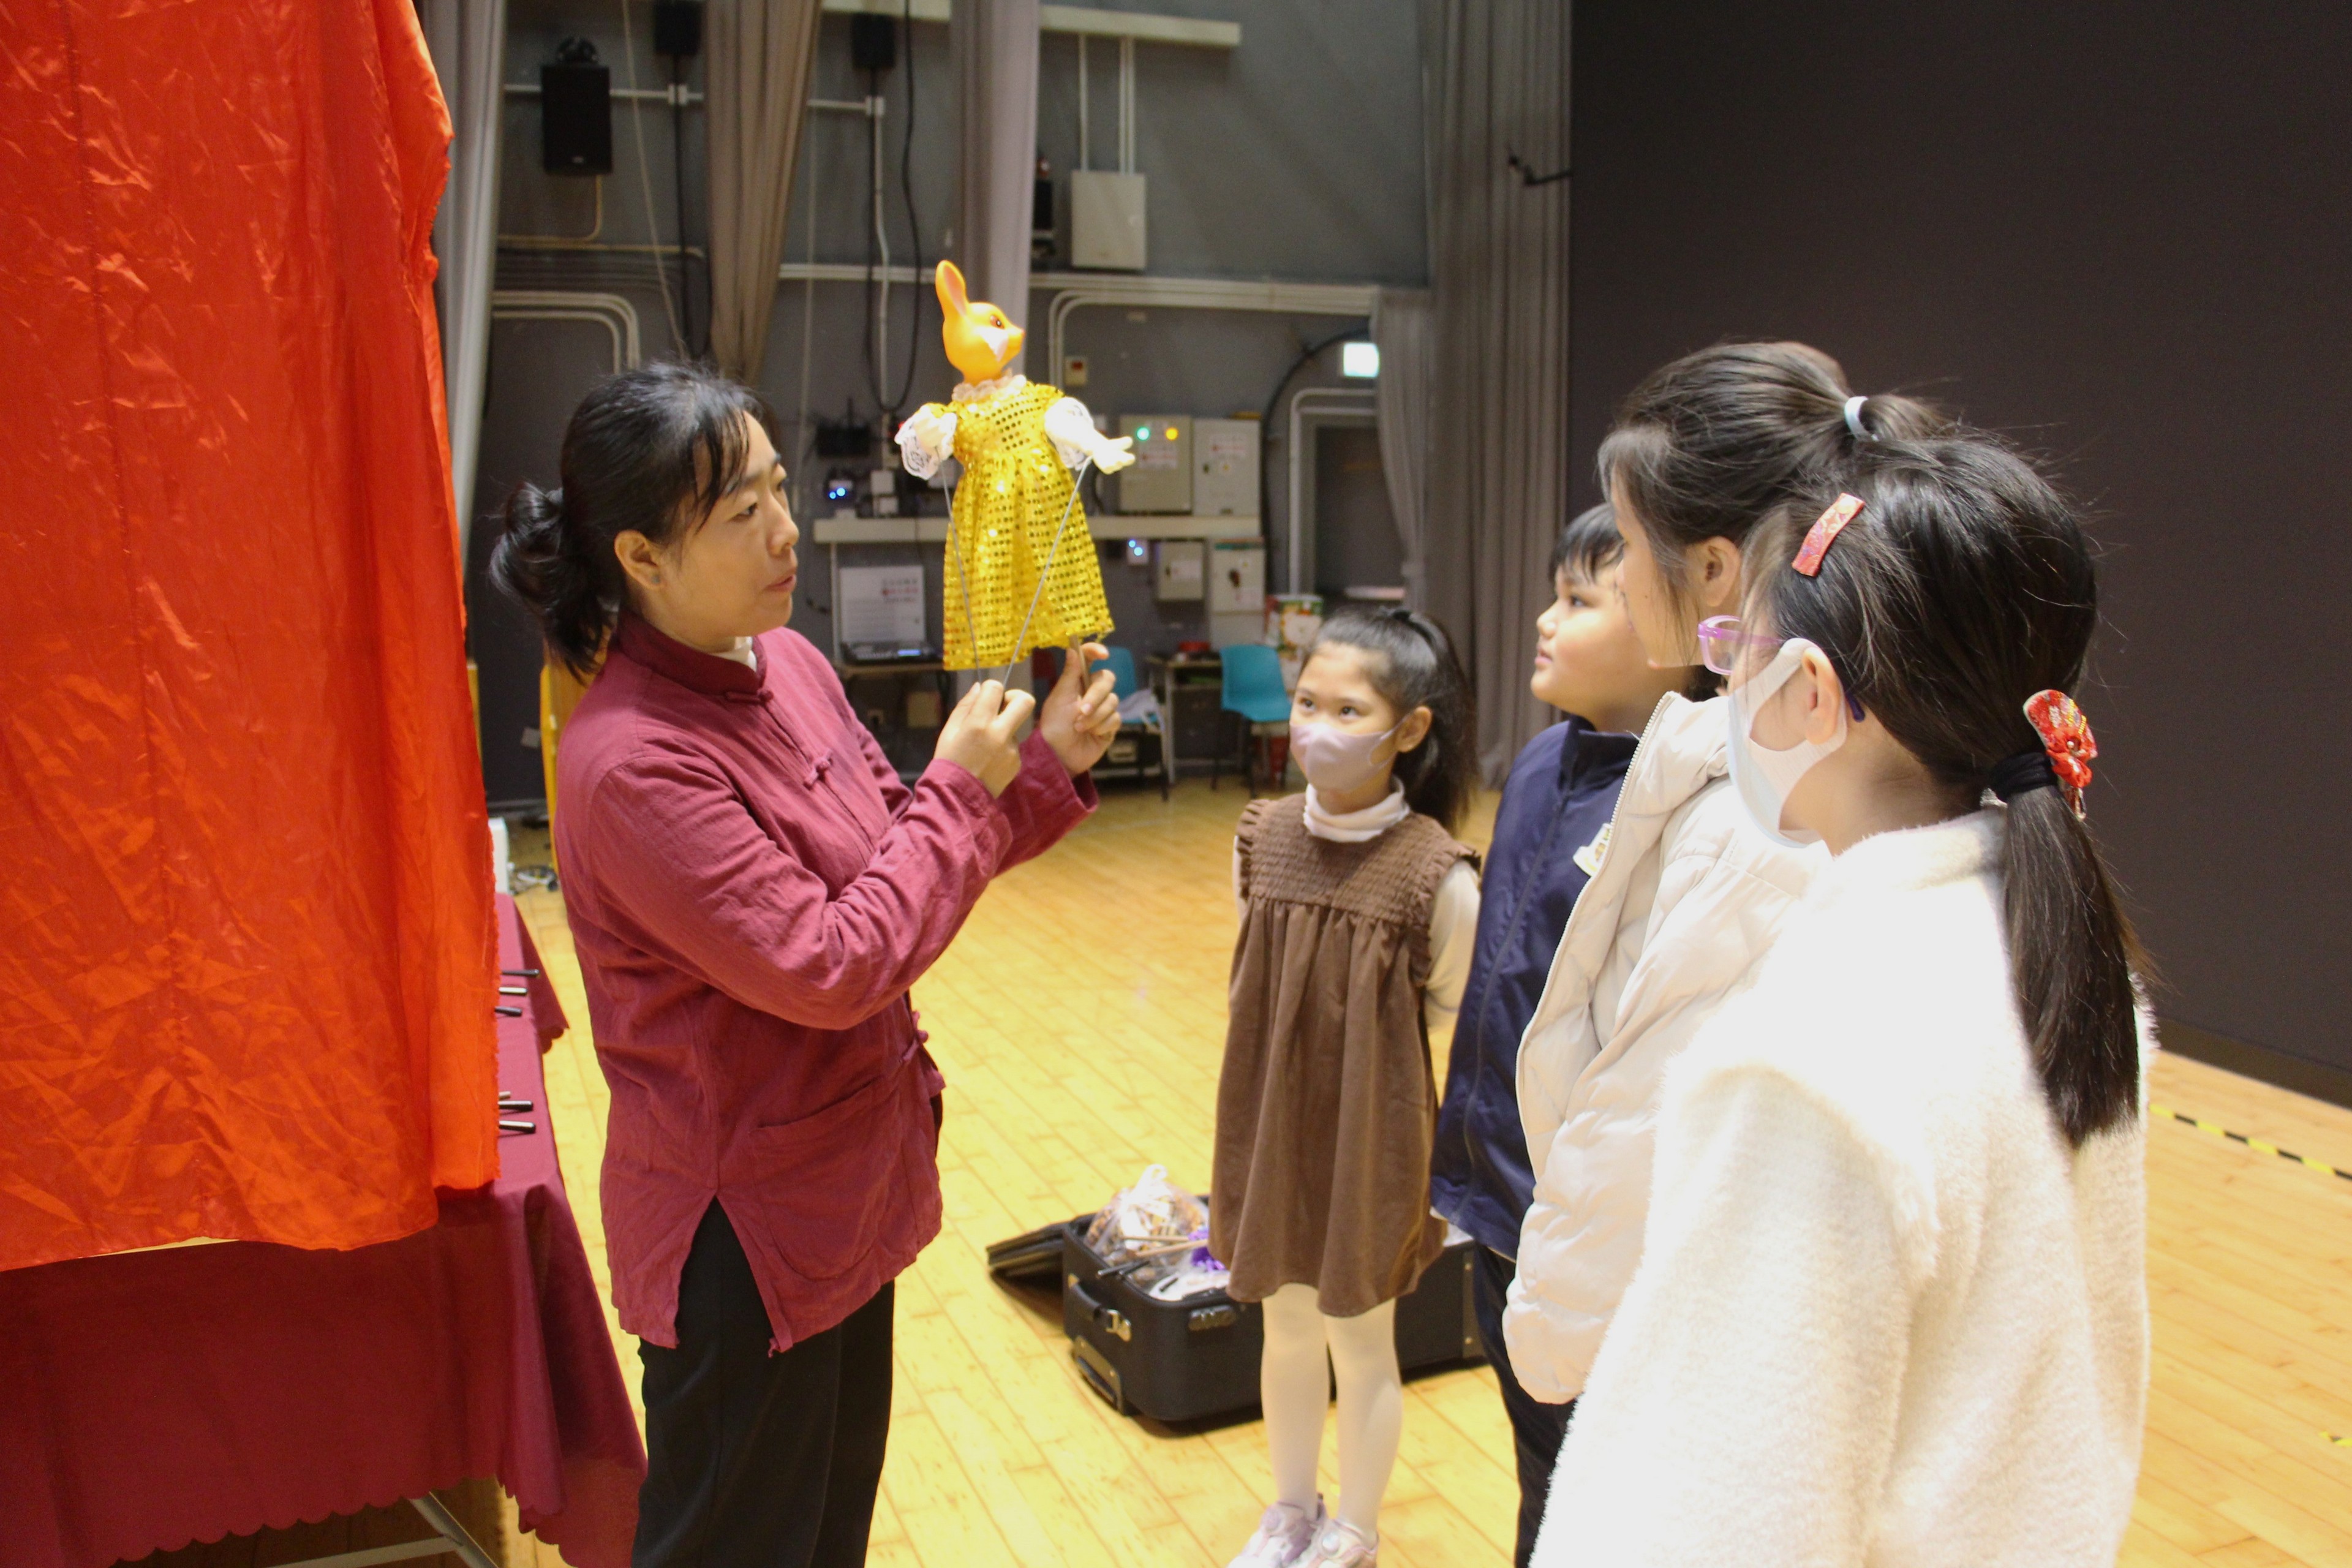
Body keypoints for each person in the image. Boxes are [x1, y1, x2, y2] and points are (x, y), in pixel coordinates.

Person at [488, 363, 1121, 1568]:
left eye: (780, 489)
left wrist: (1035, 769)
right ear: (643, 556)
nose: (787, 531)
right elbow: (834, 961)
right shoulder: (633, 763)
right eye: (743, 511)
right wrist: (960, 786)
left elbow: (897, 857)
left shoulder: (788, 664)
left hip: (839, 1183)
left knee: (826, 1531)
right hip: (743, 1231)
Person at [1532, 437, 2149, 1565]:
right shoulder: (2063, 962)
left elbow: (1726, 1509)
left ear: (1811, 692)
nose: (1725, 685)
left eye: (1737, 651)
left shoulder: (1814, 1056)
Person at [1503, 342, 1950, 1415]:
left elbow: (1642, 1120)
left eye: (1627, 545)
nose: (1622, 574)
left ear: (1711, 569)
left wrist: (1554, 1335)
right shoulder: (1760, 757)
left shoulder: (1769, 812)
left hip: (1675, 1347)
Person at [1425, 503, 1700, 1568]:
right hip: (1498, 1198)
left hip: (1588, 1214)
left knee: (1601, 1488)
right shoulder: (1542, 762)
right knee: (1540, 1468)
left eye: (1581, 601)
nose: (1545, 621)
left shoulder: (1689, 806)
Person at [1214, 609, 1482, 1568]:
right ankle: (1290, 1510)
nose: (1317, 727)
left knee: (1361, 1336)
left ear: (1409, 730)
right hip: (1270, 1119)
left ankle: (1355, 1530)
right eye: (1307, 702)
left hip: (1373, 1132)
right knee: (1286, 1325)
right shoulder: (1259, 837)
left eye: (1348, 710)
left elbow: (1445, 1005)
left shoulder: (1436, 873)